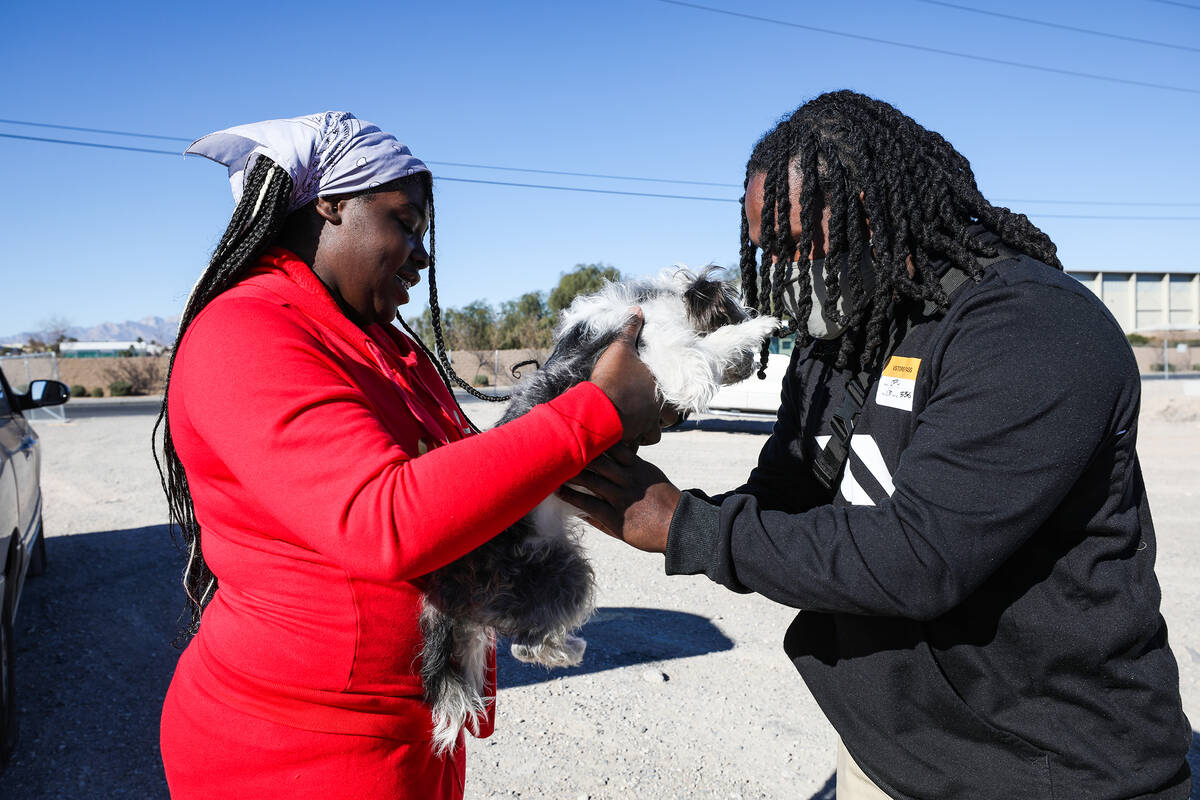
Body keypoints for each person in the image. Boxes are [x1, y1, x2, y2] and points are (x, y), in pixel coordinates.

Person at [562, 91, 1193, 799]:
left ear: (872, 208)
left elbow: (920, 558)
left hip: (1046, 770)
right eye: (772, 251)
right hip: (897, 756)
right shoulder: (846, 336)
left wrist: (687, 527)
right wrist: (638, 482)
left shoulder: (1033, 331)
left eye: (800, 245)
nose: (790, 273)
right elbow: (788, 492)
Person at [155, 112, 661, 800]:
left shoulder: (381, 345)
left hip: (405, 727)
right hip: (297, 751)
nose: (422, 255)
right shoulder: (247, 331)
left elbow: (453, 488)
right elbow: (381, 518)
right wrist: (593, 413)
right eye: (405, 222)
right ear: (330, 203)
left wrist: (587, 412)